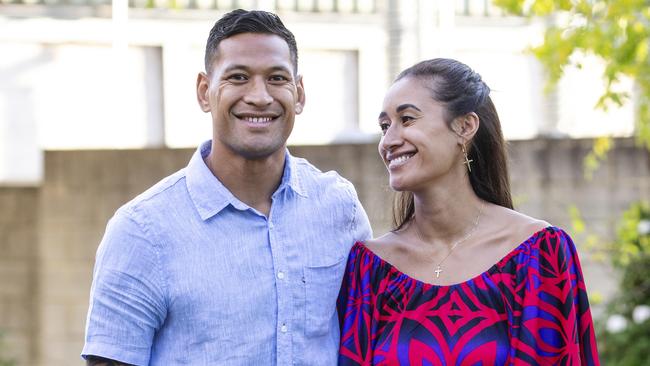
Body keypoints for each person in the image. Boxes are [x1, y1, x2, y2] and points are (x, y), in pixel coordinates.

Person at [82, 9, 372, 366]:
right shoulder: (142, 232)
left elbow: (368, 341)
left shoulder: (338, 208)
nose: (259, 96)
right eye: (238, 77)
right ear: (205, 92)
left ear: (299, 93)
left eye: (277, 78)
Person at [337, 58, 600, 365]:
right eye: (384, 126)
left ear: (464, 126)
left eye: (407, 119)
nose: (389, 141)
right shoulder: (370, 267)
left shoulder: (537, 253)